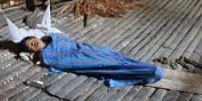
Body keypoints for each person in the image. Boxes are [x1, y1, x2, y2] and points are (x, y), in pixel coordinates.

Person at [21, 32, 162, 88]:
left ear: (36, 37)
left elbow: (67, 40)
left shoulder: (55, 37)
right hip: (82, 60)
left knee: (115, 56)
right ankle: (150, 72)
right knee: (110, 65)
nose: (32, 44)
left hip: (89, 50)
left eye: (31, 40)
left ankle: (144, 73)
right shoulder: (46, 56)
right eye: (29, 47)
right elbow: (59, 63)